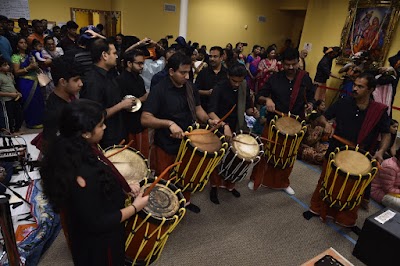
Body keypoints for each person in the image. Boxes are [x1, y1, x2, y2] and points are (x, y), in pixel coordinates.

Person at [40, 99, 149, 265]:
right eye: (100, 125)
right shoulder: (82, 175)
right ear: (85, 133)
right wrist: (135, 207)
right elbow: (98, 222)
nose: (104, 127)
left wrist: (124, 186)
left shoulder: (77, 148)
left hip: (89, 235)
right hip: (99, 245)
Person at [304, 72, 391, 233]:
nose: (355, 89)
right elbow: (323, 117)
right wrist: (327, 124)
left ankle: (346, 220)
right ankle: (316, 209)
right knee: (326, 181)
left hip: (360, 157)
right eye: (355, 85)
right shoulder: (343, 102)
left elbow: (386, 133)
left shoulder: (378, 111)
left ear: (370, 89)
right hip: (336, 150)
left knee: (353, 191)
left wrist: (381, 151)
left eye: (360, 86)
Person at [141, 52, 218, 213]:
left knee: (187, 175)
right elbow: (145, 119)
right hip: (166, 144)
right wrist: (169, 123)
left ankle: (185, 202)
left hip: (188, 142)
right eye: (182, 73)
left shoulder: (190, 86)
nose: (187, 76)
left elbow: (198, 109)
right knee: (166, 180)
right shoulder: (159, 90)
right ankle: (166, 209)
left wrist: (208, 120)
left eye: (188, 72)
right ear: (171, 72)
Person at [248, 48, 315, 194]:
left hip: (295, 126)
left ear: (298, 62)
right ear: (281, 63)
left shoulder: (305, 78)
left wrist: (310, 104)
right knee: (266, 152)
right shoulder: (275, 78)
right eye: (287, 64)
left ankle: (282, 182)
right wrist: (268, 99)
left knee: (288, 156)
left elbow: (311, 98)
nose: (291, 67)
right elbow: (260, 96)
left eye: (294, 64)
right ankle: (256, 179)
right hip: (274, 123)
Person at [208, 63, 259, 204]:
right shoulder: (219, 88)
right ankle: (214, 186)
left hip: (237, 126)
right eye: (234, 81)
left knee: (235, 157)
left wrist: (252, 112)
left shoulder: (244, 86)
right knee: (218, 159)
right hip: (220, 126)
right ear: (228, 76)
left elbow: (247, 108)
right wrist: (224, 126)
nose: (237, 84)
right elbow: (211, 112)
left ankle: (230, 185)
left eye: (240, 81)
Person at [80, 38, 133, 148]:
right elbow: (96, 114)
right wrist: (121, 105)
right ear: (104, 55)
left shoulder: (109, 74)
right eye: (114, 53)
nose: (117, 56)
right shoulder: (93, 81)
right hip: (106, 139)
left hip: (118, 132)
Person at [42, 56, 83, 150]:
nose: (81, 83)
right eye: (76, 80)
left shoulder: (70, 97)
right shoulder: (56, 112)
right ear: (63, 82)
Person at [116, 49, 150, 158]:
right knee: (133, 156)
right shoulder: (121, 80)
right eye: (139, 63)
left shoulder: (139, 79)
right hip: (128, 124)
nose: (142, 66)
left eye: (143, 63)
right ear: (129, 63)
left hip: (140, 121)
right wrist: (142, 99)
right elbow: (123, 104)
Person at [11, 36, 44, 129]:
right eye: (21, 42)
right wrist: (29, 68)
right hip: (24, 82)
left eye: (25, 42)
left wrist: (36, 66)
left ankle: (39, 121)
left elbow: (36, 68)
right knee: (29, 102)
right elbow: (16, 72)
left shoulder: (30, 55)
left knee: (38, 102)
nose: (24, 44)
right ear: (17, 46)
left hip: (35, 81)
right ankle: (30, 122)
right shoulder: (15, 57)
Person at [195, 46, 227, 112]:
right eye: (210, 56)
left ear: (221, 58)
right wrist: (207, 92)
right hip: (205, 109)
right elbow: (195, 90)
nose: (212, 59)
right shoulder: (203, 73)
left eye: (215, 56)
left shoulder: (227, 73)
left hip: (222, 110)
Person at [0, 56, 23, 133]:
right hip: (6, 100)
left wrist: (17, 92)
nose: (8, 66)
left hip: (14, 98)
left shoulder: (9, 75)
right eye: (4, 65)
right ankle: (10, 132)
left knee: (18, 115)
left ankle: (17, 130)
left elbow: (12, 86)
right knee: (9, 117)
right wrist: (10, 94)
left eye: (7, 64)